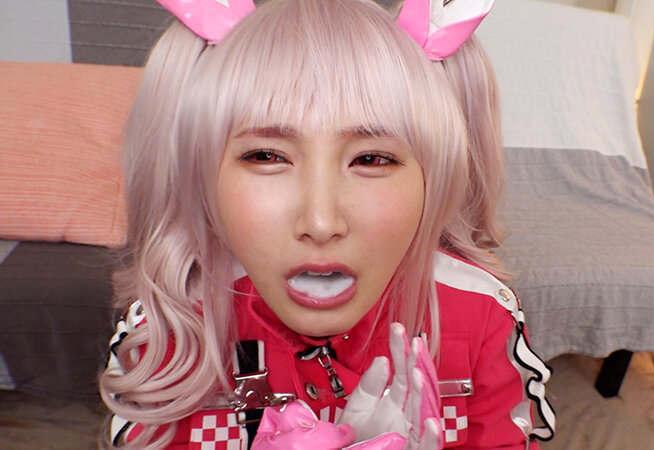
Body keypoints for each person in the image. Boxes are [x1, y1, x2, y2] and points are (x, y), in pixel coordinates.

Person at [99, 0, 555, 448]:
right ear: (199, 174)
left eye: (371, 159)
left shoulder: (483, 313)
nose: (320, 223)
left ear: (433, 178)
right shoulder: (165, 330)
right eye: (267, 156)